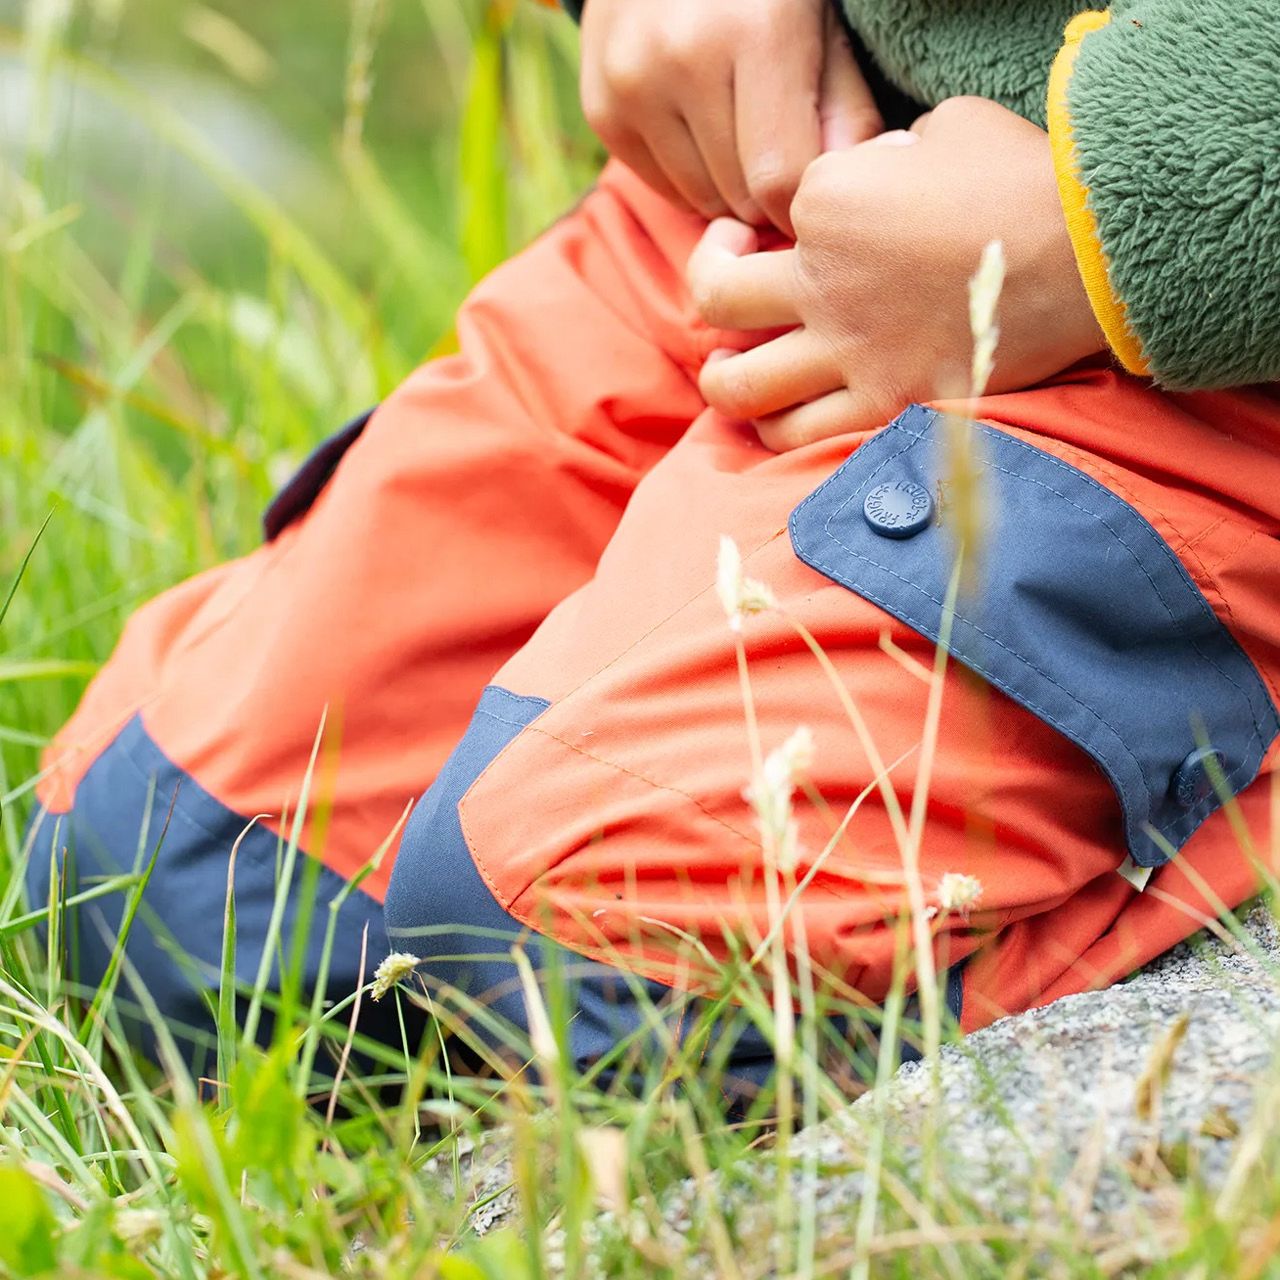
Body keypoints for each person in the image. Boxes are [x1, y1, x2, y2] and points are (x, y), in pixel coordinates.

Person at [28, 0, 1280, 1086]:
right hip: (784, 183)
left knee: (595, 960)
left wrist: (1114, 202)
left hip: (1194, 336)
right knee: (171, 887)